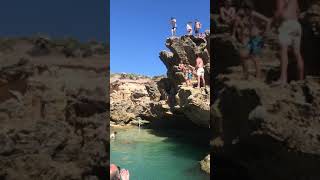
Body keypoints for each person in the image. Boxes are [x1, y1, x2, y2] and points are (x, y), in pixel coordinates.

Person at [268, 0, 304, 85]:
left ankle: (283, 79)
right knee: (297, 53)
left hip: (287, 24)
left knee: (283, 51)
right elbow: (298, 12)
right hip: (296, 24)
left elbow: (280, 13)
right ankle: (301, 80)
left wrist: (274, 20)